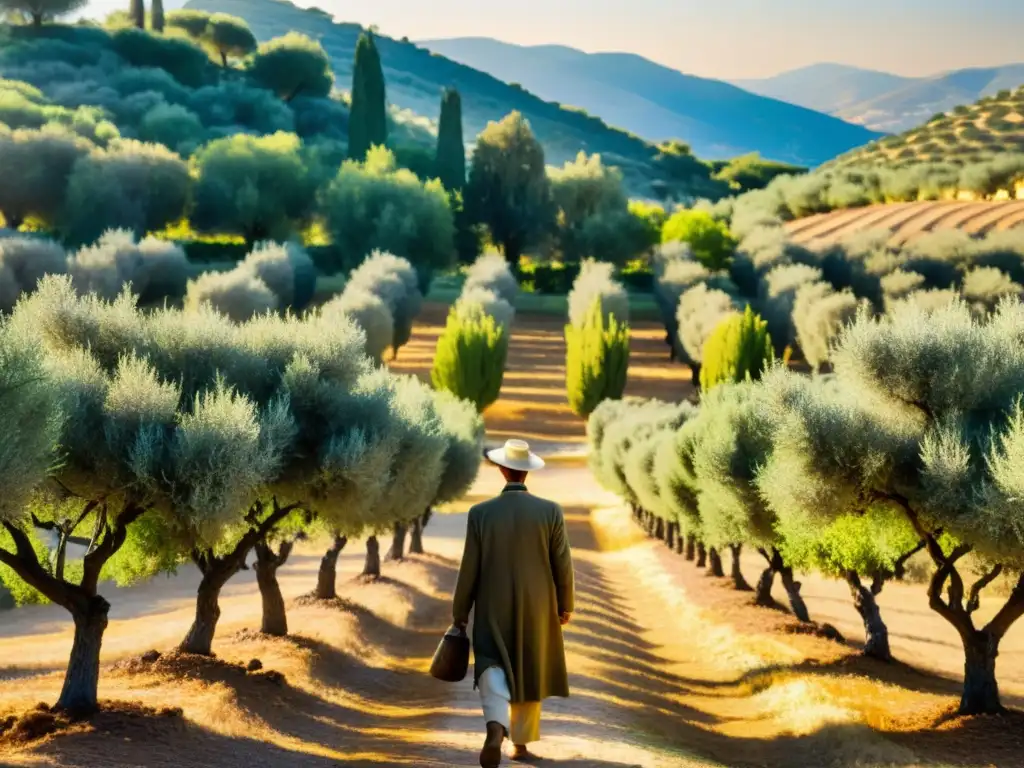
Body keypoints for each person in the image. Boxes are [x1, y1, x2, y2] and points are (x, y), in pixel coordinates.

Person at [452, 438, 575, 767]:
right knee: (528, 668)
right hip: (538, 606)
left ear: (502, 469)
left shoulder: (480, 513)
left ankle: (495, 726)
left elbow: (470, 568)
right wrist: (566, 605)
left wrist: (460, 613)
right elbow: (562, 563)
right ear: (526, 473)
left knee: (491, 663)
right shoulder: (550, 512)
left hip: (492, 603)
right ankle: (519, 743)